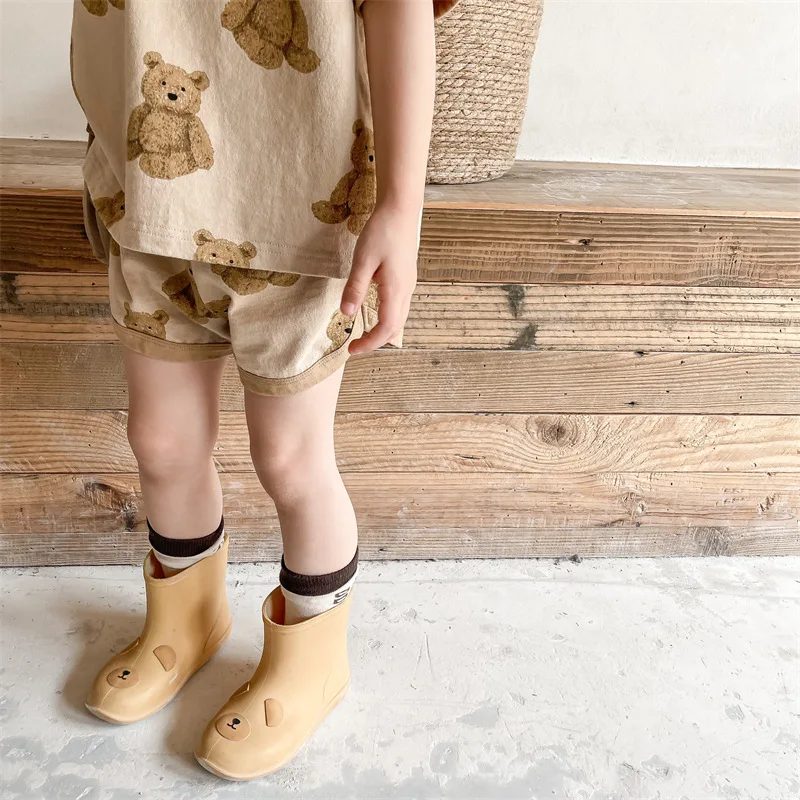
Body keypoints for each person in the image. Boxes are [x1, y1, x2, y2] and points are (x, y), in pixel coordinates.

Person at [69, 0, 460, 783]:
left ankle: (312, 659)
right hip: (149, 197)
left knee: (290, 460)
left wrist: (402, 205)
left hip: (300, 213)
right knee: (161, 442)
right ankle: (185, 620)